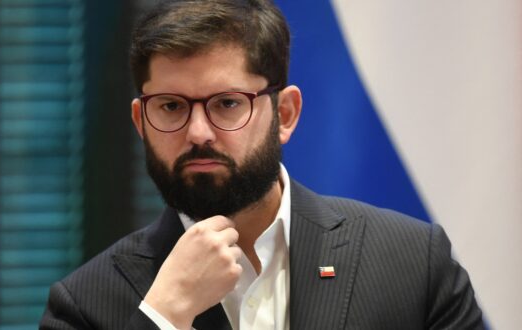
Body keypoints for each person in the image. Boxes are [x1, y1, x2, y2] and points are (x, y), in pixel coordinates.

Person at [40, 0, 483, 329]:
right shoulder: (83, 307)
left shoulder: (413, 265)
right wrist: (164, 315)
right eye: (171, 106)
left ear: (285, 114)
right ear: (141, 121)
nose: (198, 133)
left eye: (228, 103)